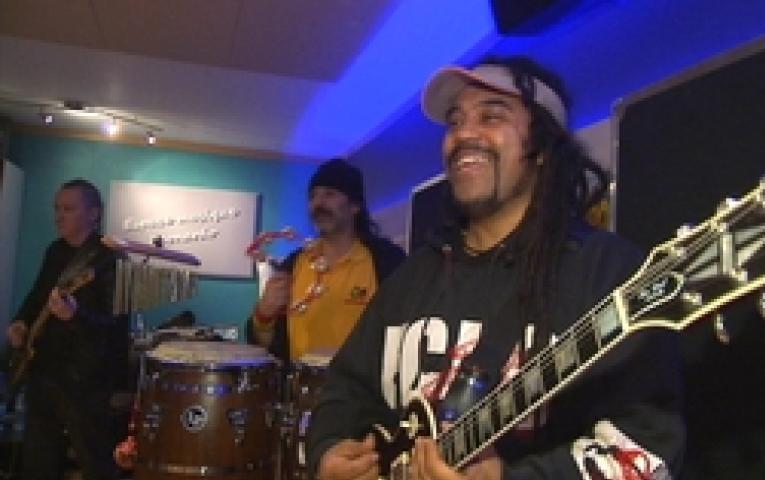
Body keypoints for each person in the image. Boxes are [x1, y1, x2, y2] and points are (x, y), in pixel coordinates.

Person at [306, 57, 685, 480]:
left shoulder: (609, 272)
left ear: (542, 147)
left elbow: (646, 448)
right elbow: (346, 386)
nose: (463, 135)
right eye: (455, 121)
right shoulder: (413, 277)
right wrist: (328, 448)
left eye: (491, 116)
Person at [6, 178, 128, 480]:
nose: (58, 216)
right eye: (57, 208)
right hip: (44, 365)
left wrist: (75, 315)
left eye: (68, 209)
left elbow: (115, 326)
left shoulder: (111, 259)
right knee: (38, 456)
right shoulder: (55, 251)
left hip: (86, 376)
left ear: (94, 213)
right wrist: (21, 322)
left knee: (94, 458)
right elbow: (37, 297)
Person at [248, 158, 406, 362]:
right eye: (313, 196)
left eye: (329, 194)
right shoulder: (293, 264)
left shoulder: (388, 262)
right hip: (299, 382)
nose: (318, 204)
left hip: (363, 383)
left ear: (355, 205)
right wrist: (264, 314)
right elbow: (265, 348)